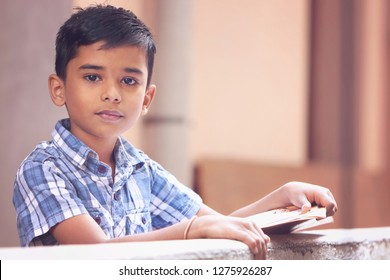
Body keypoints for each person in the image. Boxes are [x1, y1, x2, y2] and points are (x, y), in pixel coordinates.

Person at [13, 5, 337, 259]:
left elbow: (218, 223)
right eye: (93, 77)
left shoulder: (142, 171)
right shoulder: (42, 169)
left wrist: (280, 198)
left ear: (146, 99)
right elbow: (95, 253)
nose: (112, 93)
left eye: (129, 81)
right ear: (59, 89)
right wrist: (192, 229)